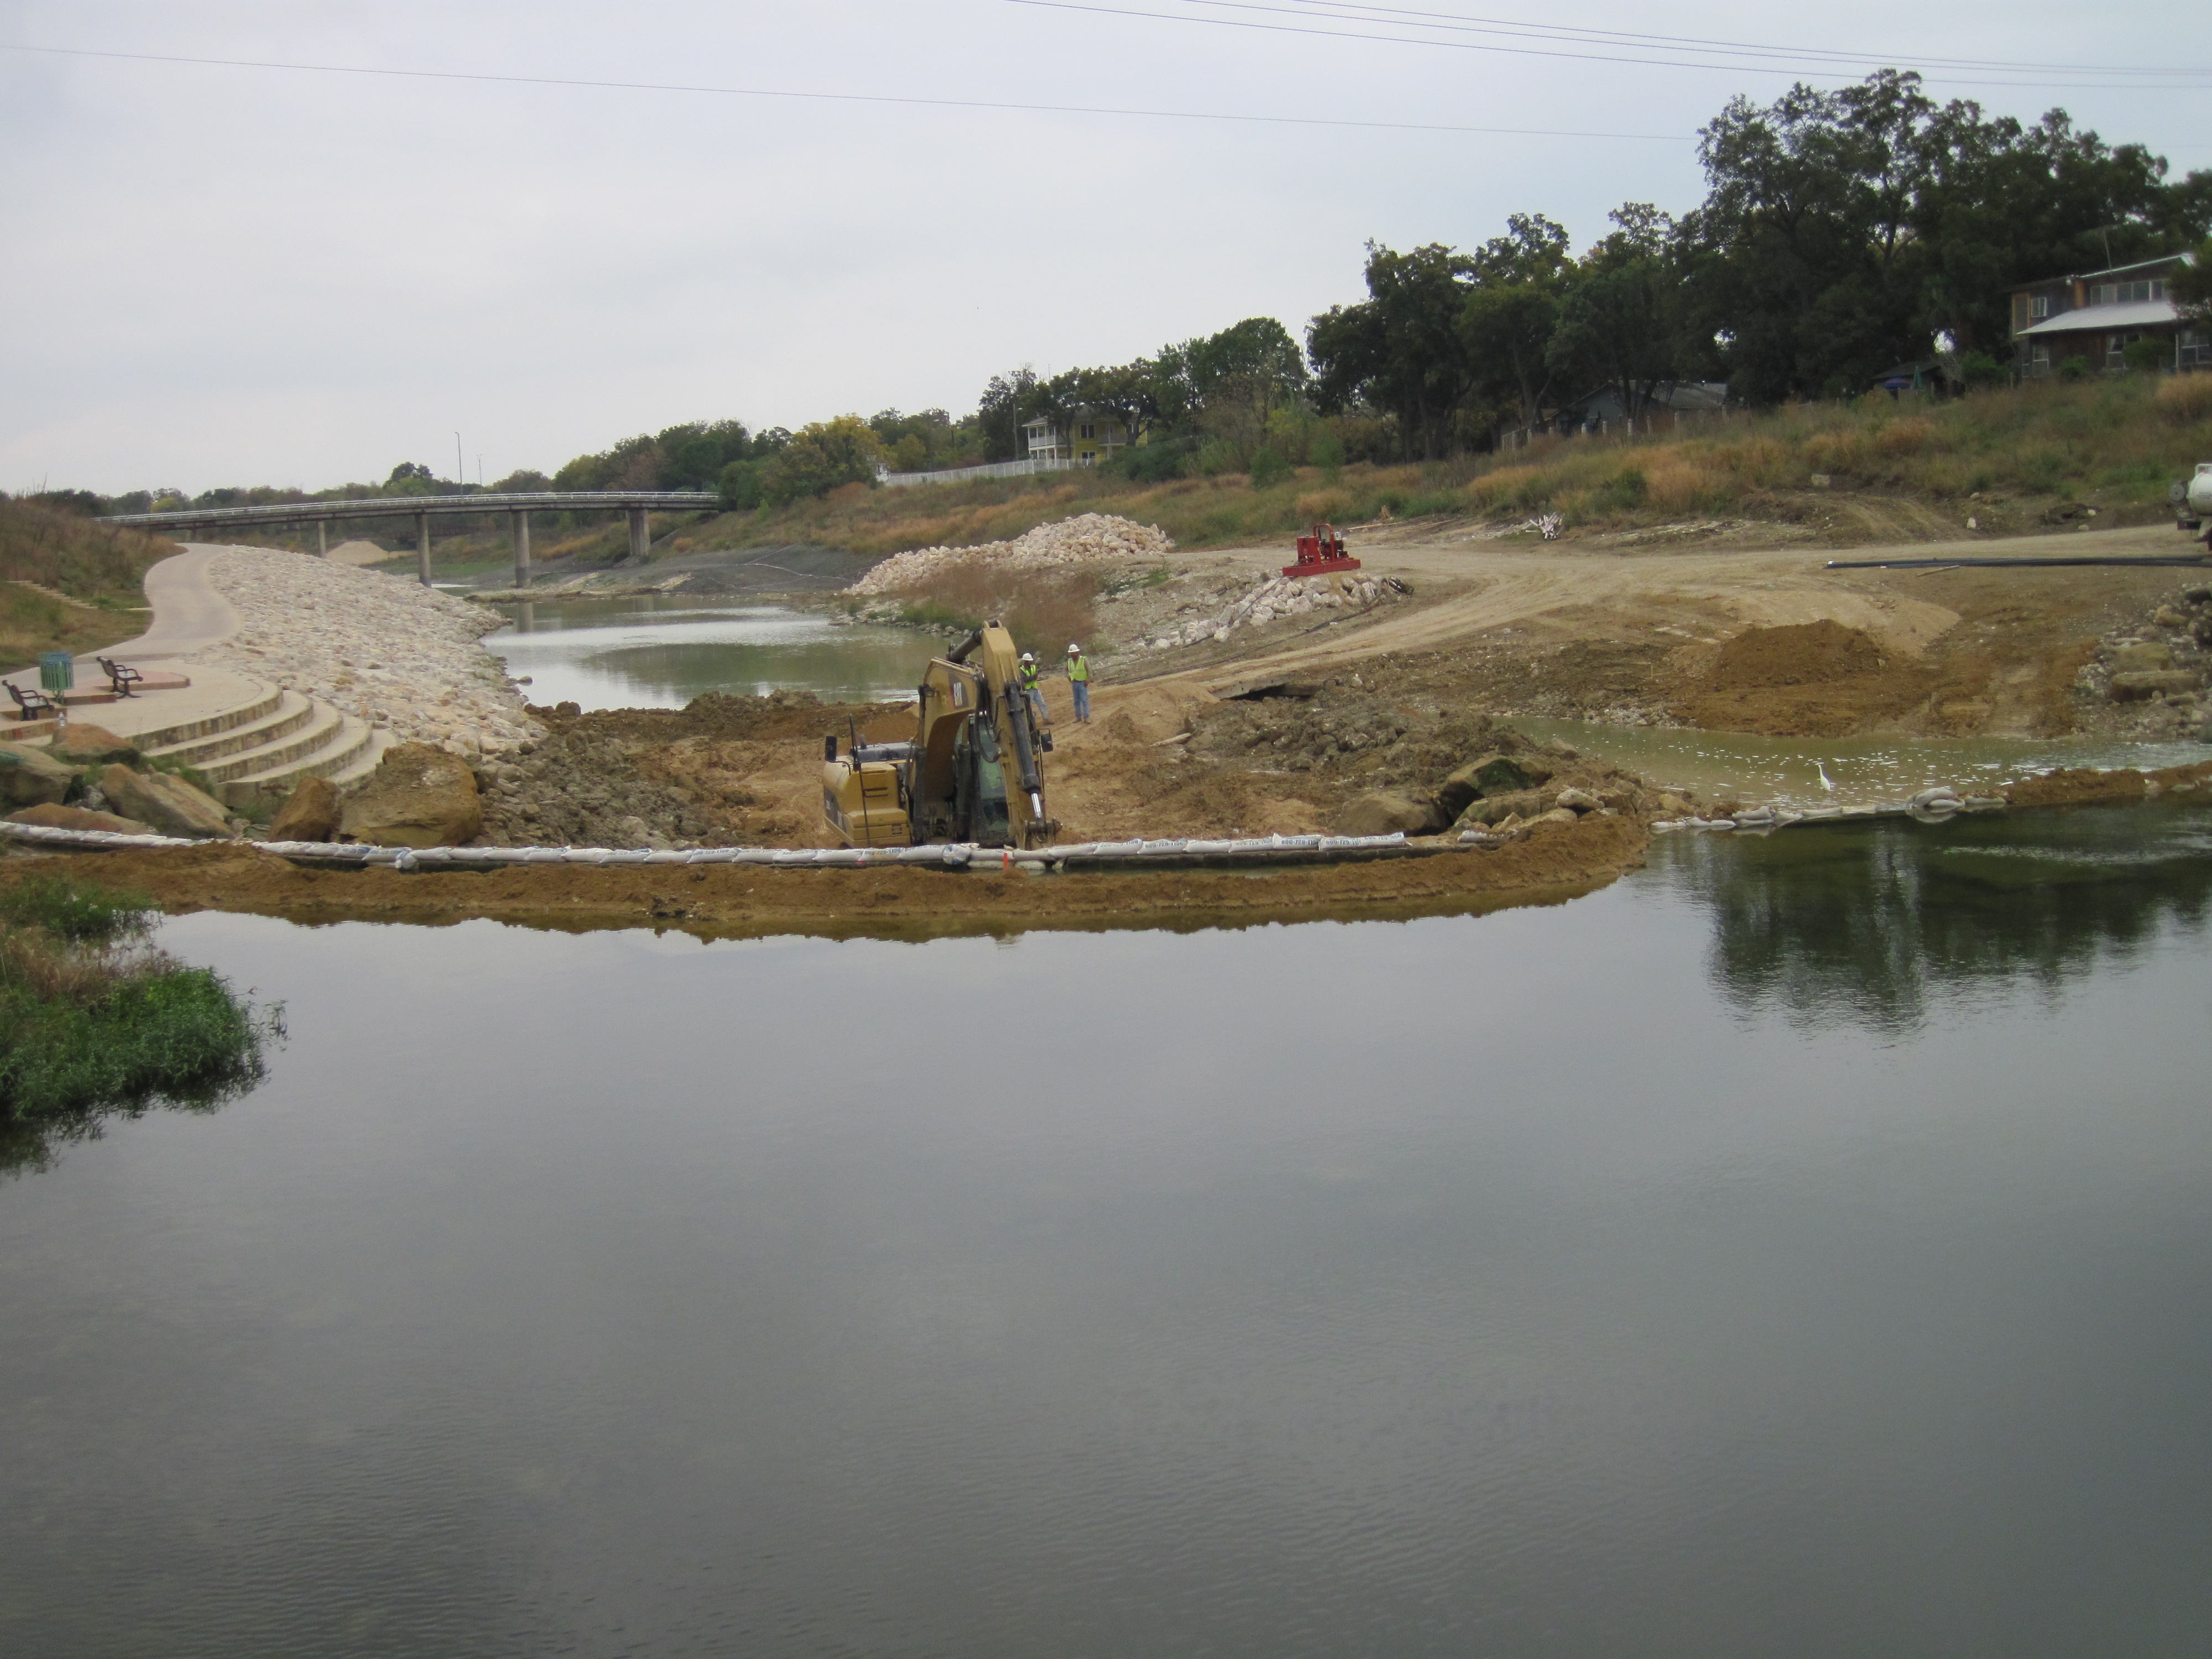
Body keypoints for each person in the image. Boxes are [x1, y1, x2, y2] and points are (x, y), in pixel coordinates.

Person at [1018, 650, 1047, 728]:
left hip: (1034, 688)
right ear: (1026, 662)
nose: (1031, 662)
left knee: (1042, 704)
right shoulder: (1022, 670)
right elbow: (1025, 680)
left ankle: (1046, 719)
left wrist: (1036, 675)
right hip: (1028, 691)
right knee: (1028, 707)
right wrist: (1034, 676)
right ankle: (1029, 723)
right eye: (1030, 661)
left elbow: (1034, 677)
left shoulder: (1033, 667)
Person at [1066, 642, 1092, 724]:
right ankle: (1078, 717)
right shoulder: (1069, 662)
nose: (1072, 655)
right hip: (1075, 683)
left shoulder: (1083, 659)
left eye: (1073, 653)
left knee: (1084, 701)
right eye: (1071, 653)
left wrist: (1088, 680)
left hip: (1082, 683)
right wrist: (1068, 676)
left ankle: (1086, 717)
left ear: (1077, 653)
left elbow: (1089, 671)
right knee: (1076, 701)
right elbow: (1065, 670)